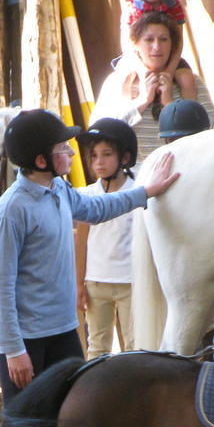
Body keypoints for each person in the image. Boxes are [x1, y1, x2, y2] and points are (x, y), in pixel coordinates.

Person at [0, 109, 179, 427]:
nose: (67, 153)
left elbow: (96, 208)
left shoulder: (58, 191)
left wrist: (146, 192)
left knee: (72, 421)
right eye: (60, 149)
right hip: (26, 339)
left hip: (59, 330)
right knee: (21, 424)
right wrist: (14, 349)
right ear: (39, 159)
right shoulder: (11, 211)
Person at [92, 12, 214, 166]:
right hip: (135, 179)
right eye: (148, 40)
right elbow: (98, 134)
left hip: (182, 171)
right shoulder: (117, 82)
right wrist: (142, 101)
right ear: (136, 45)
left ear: (172, 45)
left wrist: (172, 106)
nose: (156, 46)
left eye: (163, 39)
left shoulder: (191, 83)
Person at [74, 119, 138, 359]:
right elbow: (82, 242)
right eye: (93, 156)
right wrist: (79, 282)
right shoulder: (87, 194)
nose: (98, 162)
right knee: (97, 347)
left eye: (106, 154)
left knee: (134, 346)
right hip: (96, 283)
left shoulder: (137, 191)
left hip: (131, 282)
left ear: (124, 158)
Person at [120, 0, 197, 102]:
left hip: (167, 56)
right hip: (136, 56)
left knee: (187, 79)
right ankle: (127, 113)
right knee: (125, 78)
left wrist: (170, 71)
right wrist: (142, 70)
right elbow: (127, 45)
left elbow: (178, 42)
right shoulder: (132, 6)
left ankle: (190, 111)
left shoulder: (173, 4)